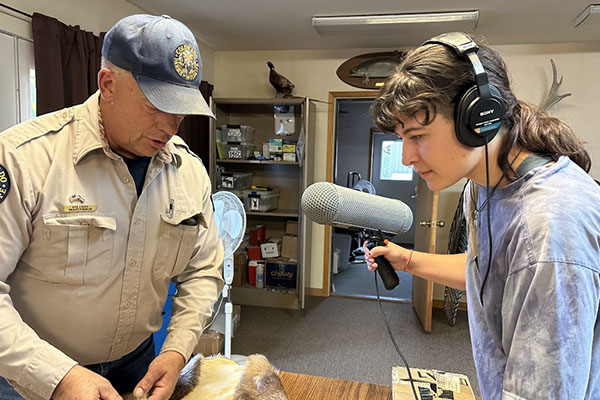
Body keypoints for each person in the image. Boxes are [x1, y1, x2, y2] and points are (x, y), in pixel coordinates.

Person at [0, 14, 224, 400]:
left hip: (137, 366)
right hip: (31, 378)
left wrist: (176, 349)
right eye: (157, 105)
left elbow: (204, 272)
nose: (171, 125)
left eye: (181, 109)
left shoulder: (189, 172)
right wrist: (59, 376)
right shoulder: (24, 159)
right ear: (108, 85)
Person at [365, 32, 600, 399]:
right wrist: (407, 259)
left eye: (418, 135)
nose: (408, 156)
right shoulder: (485, 180)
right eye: (402, 139)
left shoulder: (550, 226)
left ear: (478, 118)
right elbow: (492, 275)